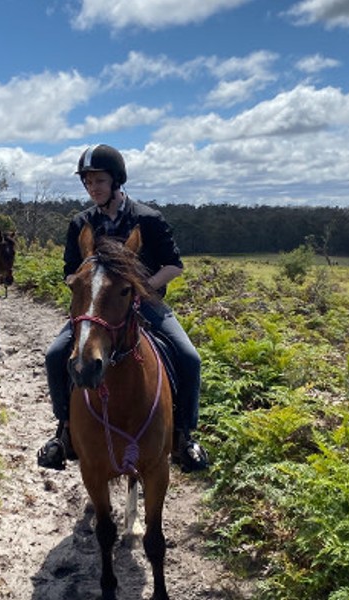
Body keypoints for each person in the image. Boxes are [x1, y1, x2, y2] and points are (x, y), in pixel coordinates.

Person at [36, 144, 210, 473]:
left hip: (146, 305)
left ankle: (184, 436)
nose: (93, 188)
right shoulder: (81, 223)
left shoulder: (148, 219)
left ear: (116, 180)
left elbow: (173, 266)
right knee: (55, 354)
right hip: (98, 309)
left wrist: (141, 290)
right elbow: (68, 271)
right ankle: (63, 432)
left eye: (99, 181)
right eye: (87, 182)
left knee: (189, 357)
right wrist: (83, 283)